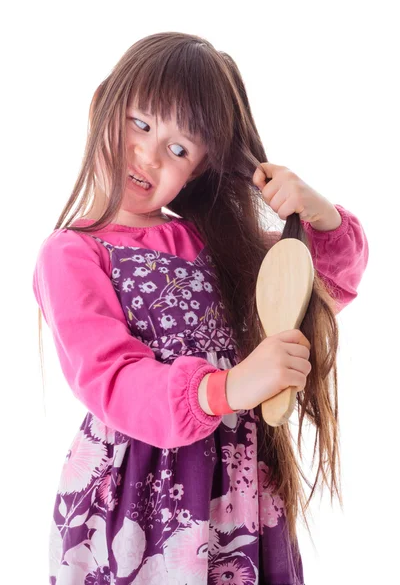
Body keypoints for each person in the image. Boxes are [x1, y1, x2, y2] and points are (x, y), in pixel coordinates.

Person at [32, 32, 369, 585]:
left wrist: (316, 212)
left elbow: (320, 286)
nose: (148, 154)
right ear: (103, 107)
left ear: (201, 168)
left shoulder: (217, 244)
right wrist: (227, 388)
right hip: (140, 497)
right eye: (139, 124)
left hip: (237, 492)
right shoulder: (72, 253)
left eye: (180, 148)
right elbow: (111, 378)